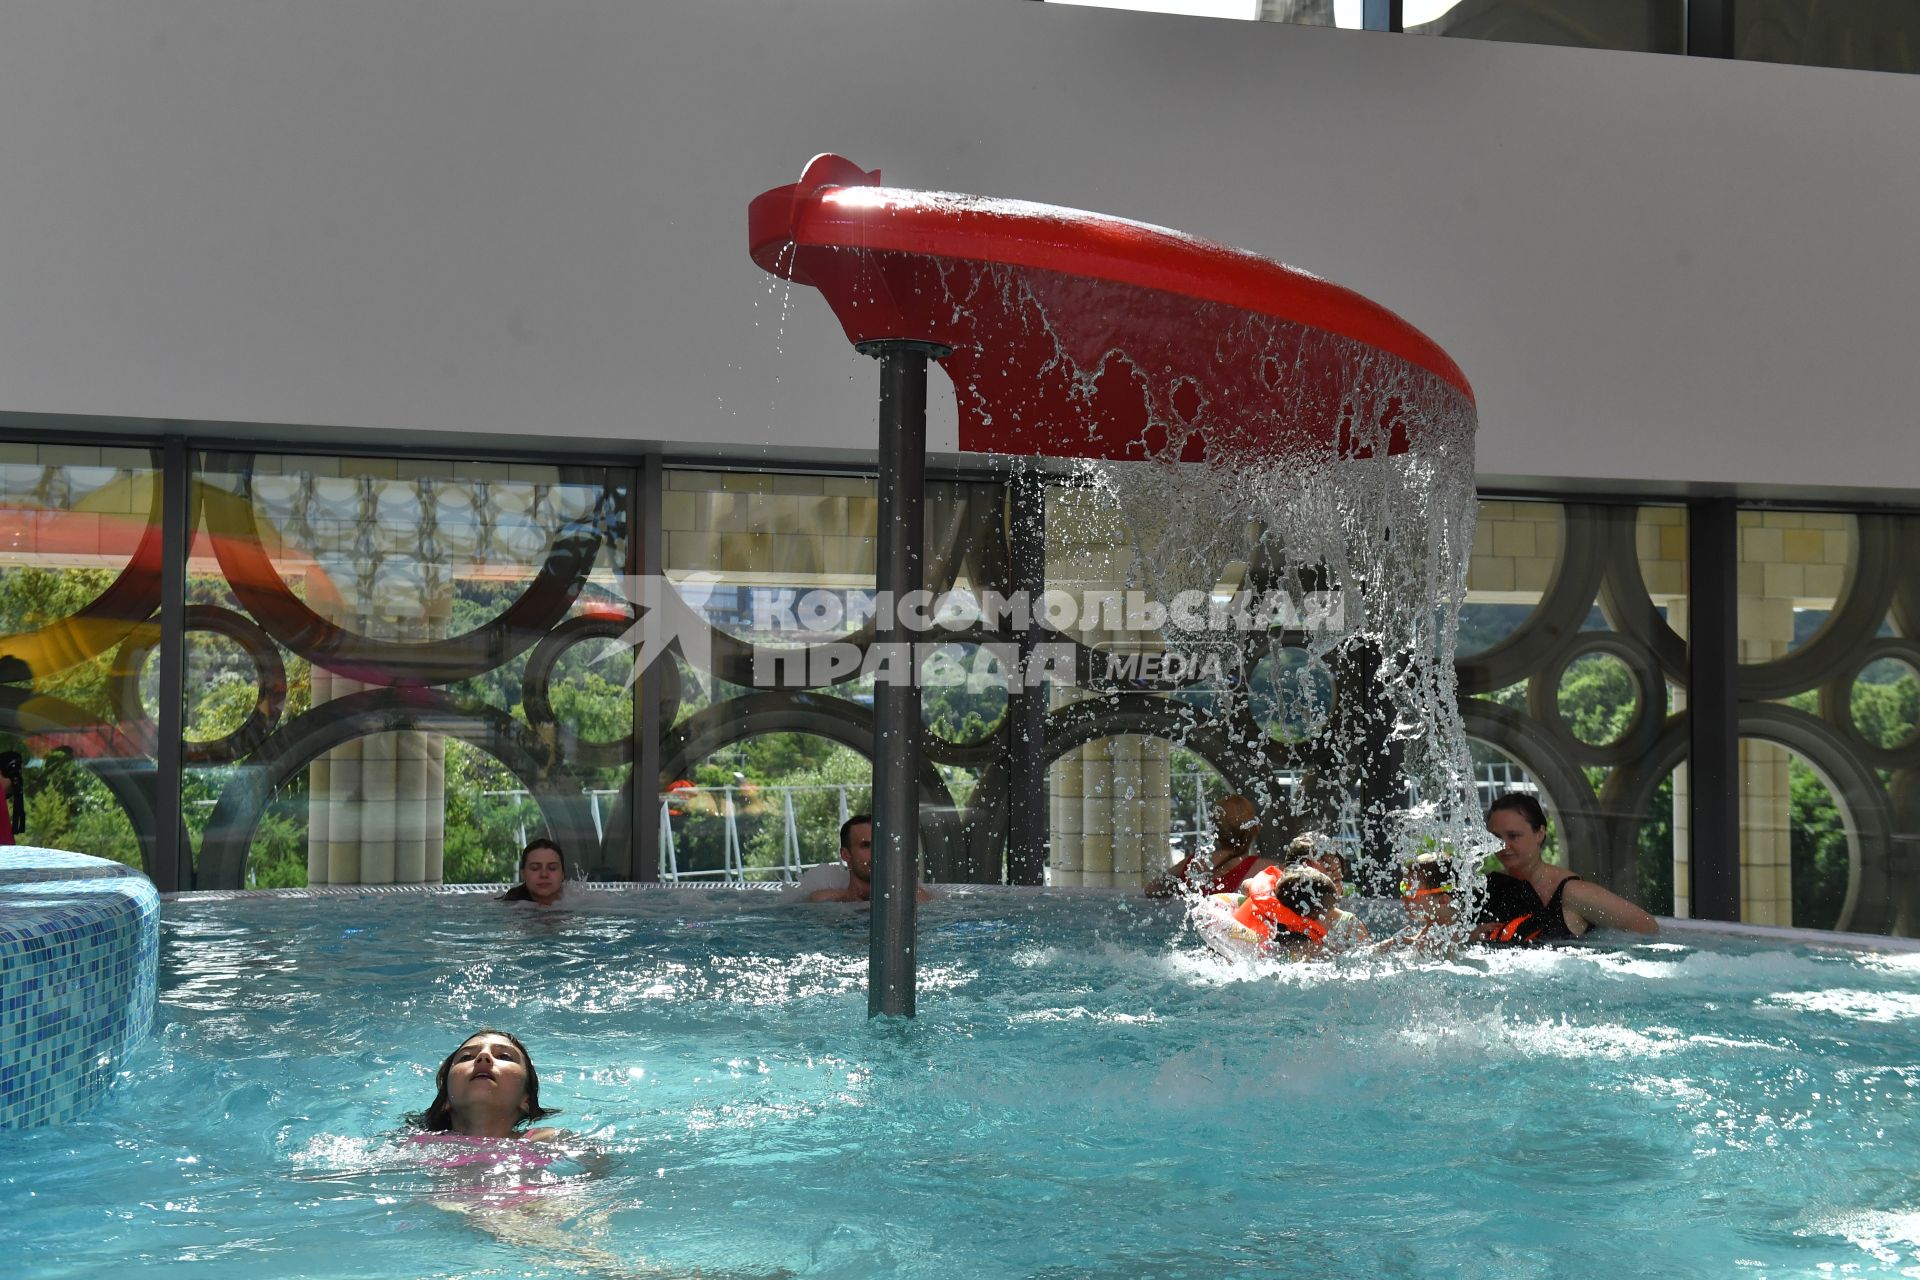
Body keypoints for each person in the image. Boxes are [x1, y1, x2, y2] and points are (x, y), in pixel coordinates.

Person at [1477, 792, 1659, 942]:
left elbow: (1646, 926)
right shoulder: (1488, 888)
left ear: (1540, 833)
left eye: (1514, 836)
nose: (1503, 845)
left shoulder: (1572, 893)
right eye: (1496, 838)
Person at [407, 1029, 563, 1141]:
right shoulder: (417, 1144)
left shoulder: (547, 1141)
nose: (483, 1056)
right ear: (446, 1100)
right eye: (466, 1057)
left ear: (526, 1101)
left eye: (504, 1056)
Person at [1147, 794, 1272, 898]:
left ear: (1214, 831)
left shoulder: (1193, 863)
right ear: (1255, 829)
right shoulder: (1264, 870)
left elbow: (1151, 889)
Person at [798, 814, 935, 903]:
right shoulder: (823, 901)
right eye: (865, 845)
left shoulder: (913, 898)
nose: (876, 853)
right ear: (846, 855)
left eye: (881, 845)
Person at [1286, 833, 1370, 945]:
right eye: (1313, 882)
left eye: (1335, 880)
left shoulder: (1349, 928)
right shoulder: (1271, 919)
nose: (1325, 888)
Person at [499, 839, 568, 906]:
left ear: (563, 874)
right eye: (535, 868)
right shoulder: (510, 905)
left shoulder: (575, 898)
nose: (544, 874)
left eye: (552, 868)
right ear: (523, 874)